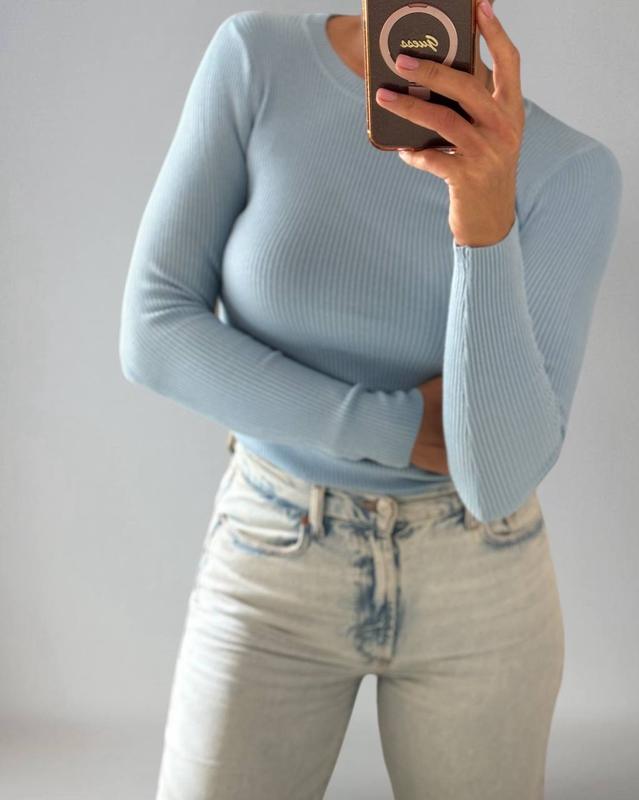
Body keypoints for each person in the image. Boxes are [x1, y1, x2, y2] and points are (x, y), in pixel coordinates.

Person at [119, 3, 622, 798]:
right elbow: (154, 332)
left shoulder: (569, 171)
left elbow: (494, 479)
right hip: (272, 550)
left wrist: (485, 213)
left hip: (478, 580)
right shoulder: (257, 60)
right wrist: (396, 426)